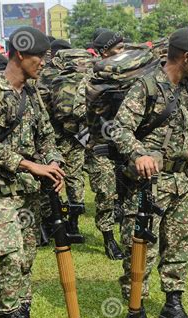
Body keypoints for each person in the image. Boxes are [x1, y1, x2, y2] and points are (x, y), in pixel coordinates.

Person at [111, 28, 188, 318]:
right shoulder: (147, 85)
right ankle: (135, 307)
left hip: (183, 180)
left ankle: (173, 303)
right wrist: (139, 154)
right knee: (141, 246)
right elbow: (119, 129)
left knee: (180, 244)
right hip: (150, 184)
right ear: (185, 57)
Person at [0, 26, 64, 318]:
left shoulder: (32, 93)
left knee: (27, 257)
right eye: (40, 57)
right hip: (1, 191)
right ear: (21, 54)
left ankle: (23, 316)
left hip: (29, 191)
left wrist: (52, 163)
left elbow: (47, 134)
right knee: (10, 257)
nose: (43, 63)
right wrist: (28, 165)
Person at [85, 30, 126, 260]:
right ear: (103, 52)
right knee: (106, 194)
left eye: (123, 48)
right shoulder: (93, 78)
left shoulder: (130, 74)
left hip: (126, 144)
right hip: (102, 146)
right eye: (117, 49)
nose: (122, 53)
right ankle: (108, 237)